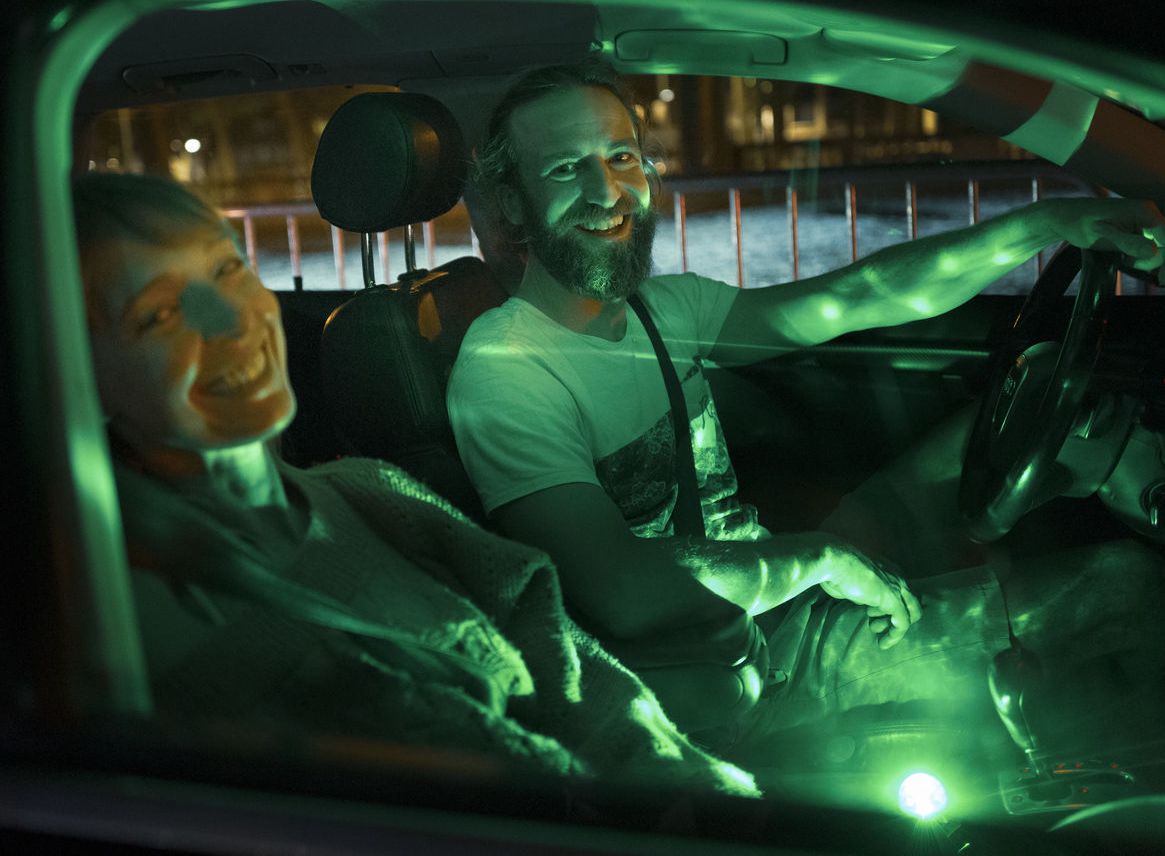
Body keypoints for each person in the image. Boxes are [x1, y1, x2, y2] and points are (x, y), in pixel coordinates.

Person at [446, 62, 1165, 748]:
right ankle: (1164, 799)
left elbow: (859, 297)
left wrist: (1047, 224)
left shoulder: (662, 310)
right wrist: (819, 558)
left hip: (779, 606)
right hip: (728, 677)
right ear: (512, 200)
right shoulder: (507, 368)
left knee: (1003, 431)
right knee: (1129, 588)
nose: (608, 192)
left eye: (621, 157)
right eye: (566, 168)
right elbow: (618, 588)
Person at [73, 170, 759, 798]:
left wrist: (706, 797)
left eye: (228, 268)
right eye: (158, 315)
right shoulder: (138, 624)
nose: (230, 320)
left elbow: (574, 674)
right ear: (77, 372)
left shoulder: (370, 491)